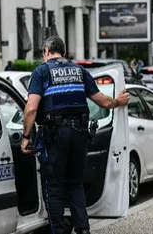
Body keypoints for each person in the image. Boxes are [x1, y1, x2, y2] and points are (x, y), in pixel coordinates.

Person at [20, 36, 129, 234]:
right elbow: (103, 101)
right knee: (75, 184)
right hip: (80, 134)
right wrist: (119, 102)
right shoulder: (79, 71)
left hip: (54, 136)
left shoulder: (42, 72)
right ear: (63, 51)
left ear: (46, 51)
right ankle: (83, 230)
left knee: (53, 187)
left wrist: (26, 136)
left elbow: (30, 110)